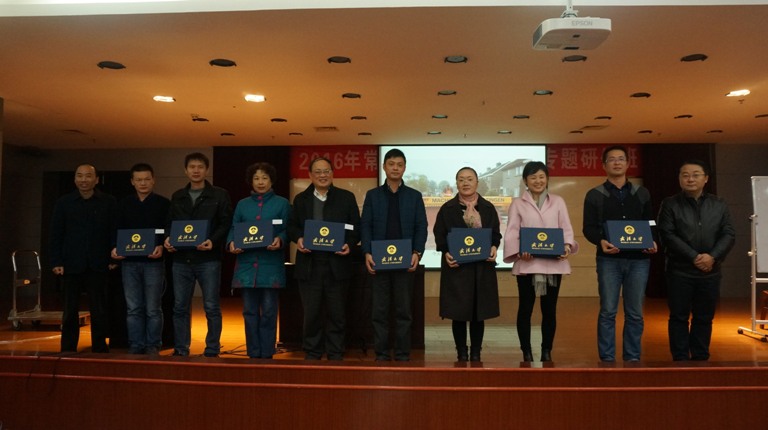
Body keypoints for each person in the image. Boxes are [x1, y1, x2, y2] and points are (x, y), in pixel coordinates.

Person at [583, 145, 657, 362]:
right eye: (612, 159)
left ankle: (632, 357)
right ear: (604, 165)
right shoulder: (595, 195)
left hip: (639, 260)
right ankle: (607, 358)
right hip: (609, 260)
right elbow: (588, 228)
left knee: (635, 312)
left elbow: (651, 222)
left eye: (621, 159)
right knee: (608, 311)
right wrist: (601, 241)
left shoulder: (642, 193)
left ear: (627, 163)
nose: (617, 162)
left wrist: (652, 239)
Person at [657, 160, 735, 361]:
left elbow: (728, 234)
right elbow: (667, 234)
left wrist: (712, 256)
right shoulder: (670, 204)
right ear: (679, 178)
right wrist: (694, 257)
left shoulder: (719, 204)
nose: (690, 179)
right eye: (685, 175)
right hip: (679, 270)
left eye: (695, 174)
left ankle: (700, 357)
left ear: (706, 178)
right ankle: (680, 358)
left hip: (710, 270)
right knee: (678, 317)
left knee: (704, 317)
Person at [503, 161, 579, 362]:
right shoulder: (518, 203)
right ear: (525, 181)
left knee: (549, 310)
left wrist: (566, 246)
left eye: (541, 176)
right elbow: (512, 231)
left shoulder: (558, 201)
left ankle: (547, 350)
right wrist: (519, 252)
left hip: (554, 264)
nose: (538, 181)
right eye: (533, 177)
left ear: (547, 179)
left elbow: (566, 228)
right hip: (527, 264)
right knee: (525, 309)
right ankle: (526, 351)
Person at [287, 157, 360, 361]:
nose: (322, 175)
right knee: (311, 313)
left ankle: (335, 351)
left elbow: (356, 227)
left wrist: (349, 244)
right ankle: (312, 351)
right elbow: (291, 226)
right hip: (309, 265)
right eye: (318, 172)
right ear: (310, 175)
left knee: (337, 313)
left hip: (337, 264)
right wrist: (298, 238)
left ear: (332, 173)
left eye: (326, 171)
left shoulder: (346, 198)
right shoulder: (301, 199)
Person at [360, 148, 428, 362]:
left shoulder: (414, 196)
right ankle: (381, 353)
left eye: (399, 164)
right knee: (379, 311)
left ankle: (402, 353)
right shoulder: (373, 196)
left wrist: (417, 252)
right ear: (384, 167)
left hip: (405, 261)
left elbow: (421, 226)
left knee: (403, 312)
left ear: (404, 168)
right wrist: (367, 252)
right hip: (379, 261)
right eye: (391, 164)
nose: (395, 168)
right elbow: (365, 226)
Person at [164, 153, 232, 357]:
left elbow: (225, 223)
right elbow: (170, 223)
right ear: (185, 170)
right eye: (192, 167)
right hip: (181, 259)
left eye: (200, 167)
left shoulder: (219, 195)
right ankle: (181, 348)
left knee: (211, 306)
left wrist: (213, 241)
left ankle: (212, 348)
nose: (196, 170)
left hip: (208, 259)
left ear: (206, 170)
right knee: (179, 307)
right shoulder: (178, 196)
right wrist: (168, 239)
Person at [434, 167, 501, 362]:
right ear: (456, 183)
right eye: (461, 179)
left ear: (477, 182)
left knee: (478, 313)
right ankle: (461, 352)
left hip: (481, 268)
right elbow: (440, 235)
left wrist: (494, 247)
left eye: (470, 179)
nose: (465, 183)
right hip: (457, 268)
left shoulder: (488, 208)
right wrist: (445, 252)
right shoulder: (447, 209)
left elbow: (495, 234)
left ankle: (476, 352)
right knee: (458, 312)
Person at [50, 164, 117, 353]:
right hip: (71, 263)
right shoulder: (64, 202)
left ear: (96, 180)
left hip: (99, 262)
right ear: (74, 179)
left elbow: (114, 231)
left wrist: (114, 258)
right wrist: (56, 261)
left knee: (99, 308)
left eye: (88, 176)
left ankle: (99, 346)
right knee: (70, 309)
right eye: (79, 176)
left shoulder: (108, 202)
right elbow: (56, 233)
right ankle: (68, 347)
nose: (83, 180)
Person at [227, 162, 291, 359]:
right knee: (249, 312)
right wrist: (231, 243)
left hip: (270, 266)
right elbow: (234, 228)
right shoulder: (242, 204)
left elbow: (288, 229)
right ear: (251, 181)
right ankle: (253, 352)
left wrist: (280, 239)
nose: (260, 182)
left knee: (270, 311)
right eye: (256, 178)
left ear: (271, 180)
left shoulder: (282, 203)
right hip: (247, 267)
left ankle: (267, 351)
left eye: (264, 178)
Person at [110, 163, 170, 355]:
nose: (143, 183)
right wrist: (114, 247)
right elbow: (116, 229)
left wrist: (160, 244)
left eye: (146, 179)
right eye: (139, 180)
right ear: (132, 182)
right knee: (134, 308)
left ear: (153, 180)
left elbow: (164, 229)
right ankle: (136, 345)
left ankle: (153, 345)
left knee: (153, 308)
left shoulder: (163, 204)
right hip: (129, 262)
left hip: (153, 262)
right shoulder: (123, 204)